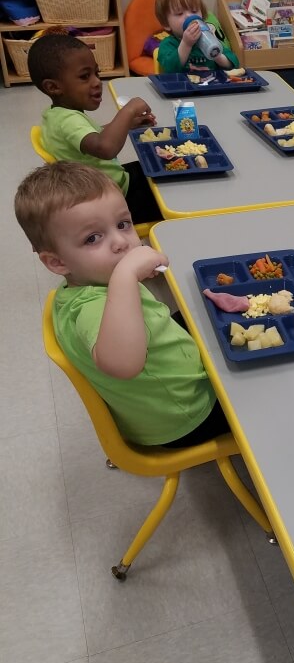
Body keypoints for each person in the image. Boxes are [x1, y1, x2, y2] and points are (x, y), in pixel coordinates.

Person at [14, 162, 229, 448]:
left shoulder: (90, 280)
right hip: (187, 416)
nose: (120, 243)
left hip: (170, 388)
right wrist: (126, 277)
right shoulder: (92, 308)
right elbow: (124, 364)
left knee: (202, 310)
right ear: (57, 262)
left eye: (123, 224)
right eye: (92, 238)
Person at [28, 32, 162, 226]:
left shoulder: (56, 114)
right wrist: (128, 110)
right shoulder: (67, 120)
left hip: (109, 182)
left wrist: (128, 124)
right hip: (115, 201)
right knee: (171, 188)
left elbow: (91, 136)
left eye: (96, 73)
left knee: (153, 164)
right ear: (53, 87)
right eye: (85, 76)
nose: (97, 81)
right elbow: (105, 148)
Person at [154, 0, 238, 73]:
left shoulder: (208, 40)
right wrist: (186, 44)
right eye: (179, 13)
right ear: (166, 24)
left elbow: (234, 64)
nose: (189, 16)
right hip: (182, 86)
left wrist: (216, 54)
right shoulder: (168, 44)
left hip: (211, 84)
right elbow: (171, 68)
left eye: (194, 11)